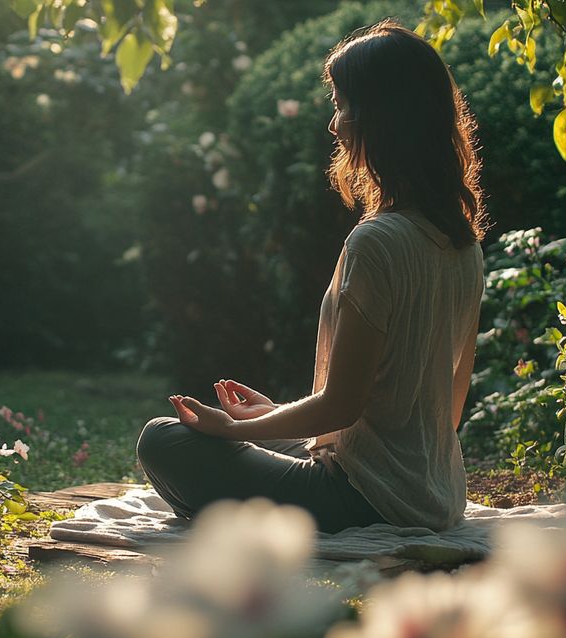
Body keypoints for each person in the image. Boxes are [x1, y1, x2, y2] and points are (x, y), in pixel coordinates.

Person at [136, 19, 487, 534]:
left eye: (343, 105)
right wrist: (268, 418)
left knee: (162, 440)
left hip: (367, 499)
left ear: (381, 119)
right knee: (221, 428)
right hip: (435, 492)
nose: (335, 125)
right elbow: (441, 414)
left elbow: (342, 406)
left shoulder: (377, 242)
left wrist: (236, 429)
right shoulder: (463, 244)